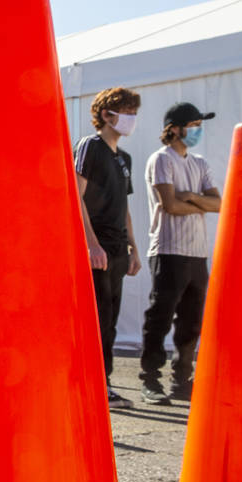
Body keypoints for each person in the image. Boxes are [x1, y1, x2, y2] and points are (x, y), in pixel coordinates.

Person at [139, 102, 222, 405]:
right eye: (193, 124)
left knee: (191, 319)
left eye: (200, 124)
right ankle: (150, 380)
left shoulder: (200, 163)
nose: (197, 130)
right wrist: (196, 202)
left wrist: (189, 196)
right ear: (174, 128)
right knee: (160, 316)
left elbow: (221, 204)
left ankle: (182, 381)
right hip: (168, 249)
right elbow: (170, 206)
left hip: (197, 253)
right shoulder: (161, 159)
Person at [74, 87, 143, 410]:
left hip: (117, 247)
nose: (131, 119)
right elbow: (76, 196)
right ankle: (93, 383)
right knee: (97, 318)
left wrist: (134, 248)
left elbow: (124, 206)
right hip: (97, 246)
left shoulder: (123, 158)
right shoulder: (91, 147)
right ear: (107, 115)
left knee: (111, 318)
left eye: (133, 112)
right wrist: (91, 244)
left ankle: (105, 382)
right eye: (126, 111)